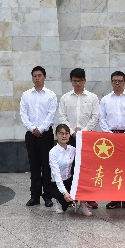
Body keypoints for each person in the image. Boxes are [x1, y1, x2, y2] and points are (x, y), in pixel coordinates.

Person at [58, 67, 100, 209]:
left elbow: (95, 116)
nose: (78, 84)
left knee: (88, 168)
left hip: (88, 137)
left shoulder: (92, 97)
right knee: (70, 166)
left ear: (85, 81)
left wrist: (84, 131)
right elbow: (62, 116)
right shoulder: (65, 98)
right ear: (71, 81)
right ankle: (72, 196)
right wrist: (71, 132)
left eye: (80, 81)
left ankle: (89, 197)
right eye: (75, 81)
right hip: (69, 137)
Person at [99, 70, 125, 210]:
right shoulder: (105, 100)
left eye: (120, 81)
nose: (117, 83)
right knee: (113, 169)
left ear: (124, 82)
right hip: (110, 137)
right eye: (115, 81)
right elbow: (102, 118)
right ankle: (115, 199)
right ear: (111, 82)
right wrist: (109, 134)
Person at [20, 66, 57, 208]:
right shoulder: (26, 95)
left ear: (44, 77)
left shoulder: (51, 95)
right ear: (32, 78)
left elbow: (51, 115)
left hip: (45, 134)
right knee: (34, 166)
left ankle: (47, 196)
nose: (37, 78)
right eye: (34, 76)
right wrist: (32, 128)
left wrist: (41, 129)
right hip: (31, 134)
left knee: (47, 166)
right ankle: (34, 196)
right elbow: (23, 114)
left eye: (39, 75)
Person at [48, 124, 93, 216]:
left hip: (69, 181)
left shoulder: (72, 149)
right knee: (64, 205)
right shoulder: (53, 152)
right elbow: (57, 175)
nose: (64, 136)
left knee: (85, 179)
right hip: (56, 184)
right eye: (61, 133)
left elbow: (85, 153)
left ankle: (82, 206)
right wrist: (64, 192)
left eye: (66, 133)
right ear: (56, 135)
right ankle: (60, 201)